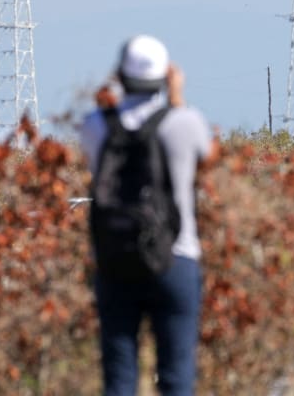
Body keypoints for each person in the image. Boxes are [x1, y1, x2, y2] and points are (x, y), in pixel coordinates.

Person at [79, 34, 213, 396]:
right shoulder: (186, 123)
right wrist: (177, 98)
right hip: (175, 257)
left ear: (119, 75)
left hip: (115, 259)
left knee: (119, 376)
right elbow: (206, 154)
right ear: (167, 76)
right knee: (176, 374)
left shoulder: (95, 126)